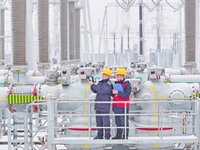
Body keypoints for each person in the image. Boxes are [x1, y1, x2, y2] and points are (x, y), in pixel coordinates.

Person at [90, 69, 113, 140]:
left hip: (104, 105)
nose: (103, 76)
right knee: (98, 122)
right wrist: (92, 85)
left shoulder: (108, 84)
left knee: (105, 122)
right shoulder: (100, 82)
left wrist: (93, 85)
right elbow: (95, 90)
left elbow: (101, 90)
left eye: (105, 75)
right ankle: (99, 135)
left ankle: (107, 135)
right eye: (103, 74)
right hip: (98, 105)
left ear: (108, 76)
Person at [112, 68, 132, 139]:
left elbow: (126, 94)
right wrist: (113, 93)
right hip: (116, 106)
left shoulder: (127, 85)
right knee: (118, 122)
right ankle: (118, 135)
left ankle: (125, 136)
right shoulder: (116, 84)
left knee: (124, 122)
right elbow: (114, 95)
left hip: (123, 107)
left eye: (121, 76)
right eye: (118, 76)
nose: (119, 77)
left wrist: (118, 92)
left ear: (124, 77)